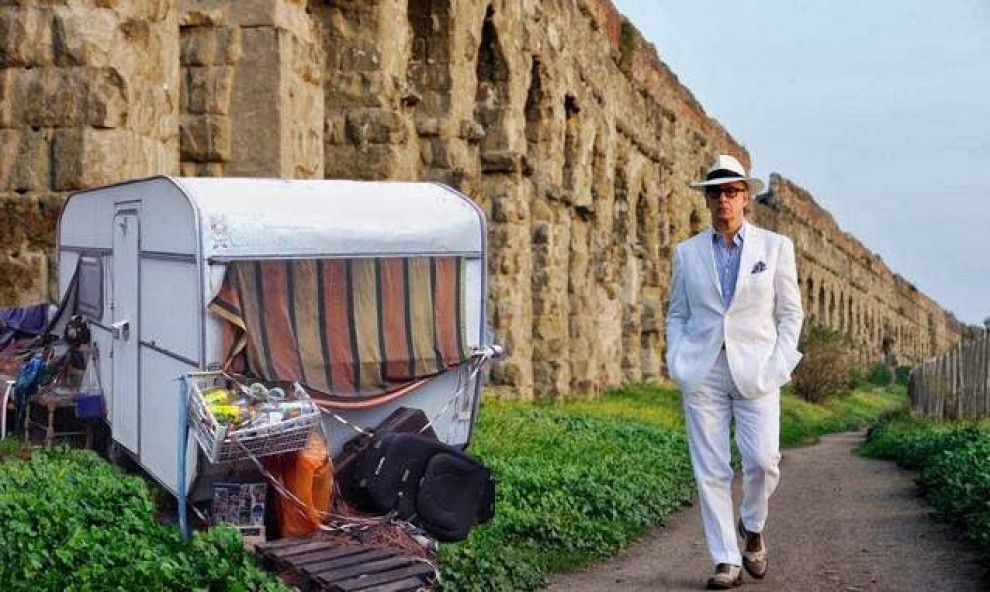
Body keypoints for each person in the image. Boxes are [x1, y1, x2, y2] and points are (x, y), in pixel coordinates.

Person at [665, 154, 804, 589]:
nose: (723, 199)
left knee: (764, 461)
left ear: (746, 198)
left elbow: (790, 313)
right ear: (707, 200)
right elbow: (677, 313)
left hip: (757, 370)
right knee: (711, 469)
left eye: (731, 191)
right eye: (716, 192)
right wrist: (676, 357)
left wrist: (780, 363)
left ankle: (753, 525)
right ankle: (726, 560)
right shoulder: (687, 254)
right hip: (703, 369)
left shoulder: (775, 247)